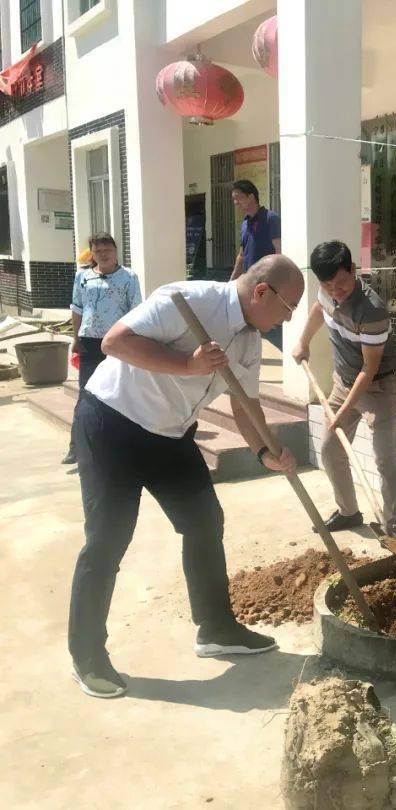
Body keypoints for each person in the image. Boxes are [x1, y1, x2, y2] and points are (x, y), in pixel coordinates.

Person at [68, 255, 304, 700]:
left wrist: (264, 450)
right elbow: (115, 343)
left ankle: (215, 628)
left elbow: (243, 402)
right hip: (112, 424)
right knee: (107, 538)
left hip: (171, 436)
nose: (287, 318)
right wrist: (188, 365)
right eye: (288, 308)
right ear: (261, 292)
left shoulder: (250, 340)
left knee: (203, 521)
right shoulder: (188, 299)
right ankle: (87, 656)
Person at [292, 240, 396, 535]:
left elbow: (369, 370)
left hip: (378, 388)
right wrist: (303, 341)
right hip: (343, 382)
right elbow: (320, 308)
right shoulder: (326, 292)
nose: (335, 291)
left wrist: (340, 412)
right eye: (328, 285)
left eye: (341, 284)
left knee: (384, 458)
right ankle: (349, 512)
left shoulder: (372, 312)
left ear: (353, 270)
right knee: (330, 450)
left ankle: (393, 528)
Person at [63, 233, 142, 465]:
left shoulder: (129, 277)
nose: (103, 255)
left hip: (118, 343)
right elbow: (77, 309)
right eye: (98, 251)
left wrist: (135, 343)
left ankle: (122, 444)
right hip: (89, 342)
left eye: (108, 250)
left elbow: (136, 313)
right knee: (86, 395)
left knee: (121, 391)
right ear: (93, 254)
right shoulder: (83, 277)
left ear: (116, 251)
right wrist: (76, 338)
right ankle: (76, 447)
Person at [230, 179, 283, 349]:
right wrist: (232, 281)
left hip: (267, 286)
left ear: (251, 196)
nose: (235, 202)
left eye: (238, 197)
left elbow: (279, 251)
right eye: (234, 199)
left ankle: (288, 350)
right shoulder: (245, 223)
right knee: (249, 325)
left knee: (272, 326)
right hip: (249, 285)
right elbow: (241, 255)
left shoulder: (271, 219)